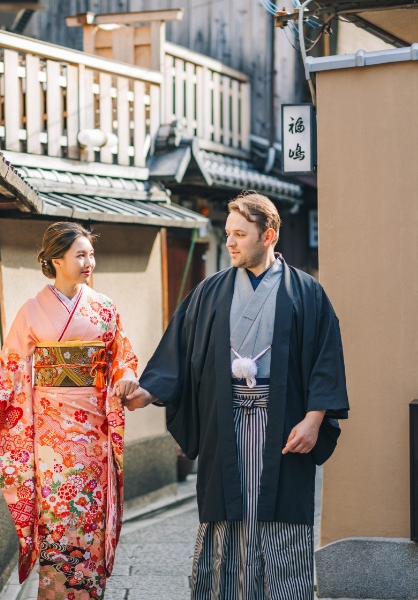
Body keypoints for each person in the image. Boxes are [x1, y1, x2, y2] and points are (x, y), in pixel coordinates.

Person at [124, 192, 349, 599]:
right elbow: (178, 352)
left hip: (284, 425)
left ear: (269, 235)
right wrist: (148, 390)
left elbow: (325, 359)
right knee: (226, 515)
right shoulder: (209, 293)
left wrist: (314, 419)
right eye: (228, 233)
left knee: (282, 519)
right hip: (224, 425)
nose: (229, 242)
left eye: (240, 234)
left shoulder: (306, 293)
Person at [0, 222, 139, 600]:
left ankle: (89, 593)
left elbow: (121, 358)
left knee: (89, 518)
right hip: (50, 438)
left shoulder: (105, 307)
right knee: (59, 516)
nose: (89, 261)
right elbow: (8, 366)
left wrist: (126, 377)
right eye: (80, 254)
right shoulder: (32, 310)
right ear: (56, 259)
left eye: (91, 254)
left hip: (93, 435)